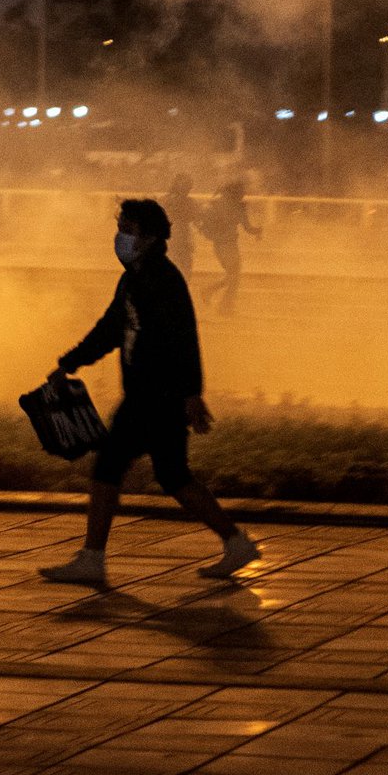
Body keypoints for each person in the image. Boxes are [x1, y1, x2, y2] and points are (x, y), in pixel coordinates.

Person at [40, 198, 259, 586]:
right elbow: (110, 329)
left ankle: (93, 558)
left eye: (128, 229)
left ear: (150, 237)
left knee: (109, 466)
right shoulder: (134, 277)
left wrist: (191, 394)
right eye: (119, 227)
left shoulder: (162, 279)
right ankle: (235, 541)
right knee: (173, 475)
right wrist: (69, 363)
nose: (120, 237)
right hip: (152, 394)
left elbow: (184, 337)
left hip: (156, 395)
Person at [201, 179, 262, 315]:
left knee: (233, 275)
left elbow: (247, 227)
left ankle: (211, 293)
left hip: (227, 245)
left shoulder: (221, 204)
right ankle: (224, 305)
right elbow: (248, 228)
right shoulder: (229, 206)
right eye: (241, 192)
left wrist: (257, 230)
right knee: (234, 276)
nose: (243, 194)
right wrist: (257, 230)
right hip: (224, 245)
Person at [162, 174, 198, 278]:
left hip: (171, 237)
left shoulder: (165, 199)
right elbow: (194, 218)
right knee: (184, 269)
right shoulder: (188, 202)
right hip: (179, 237)